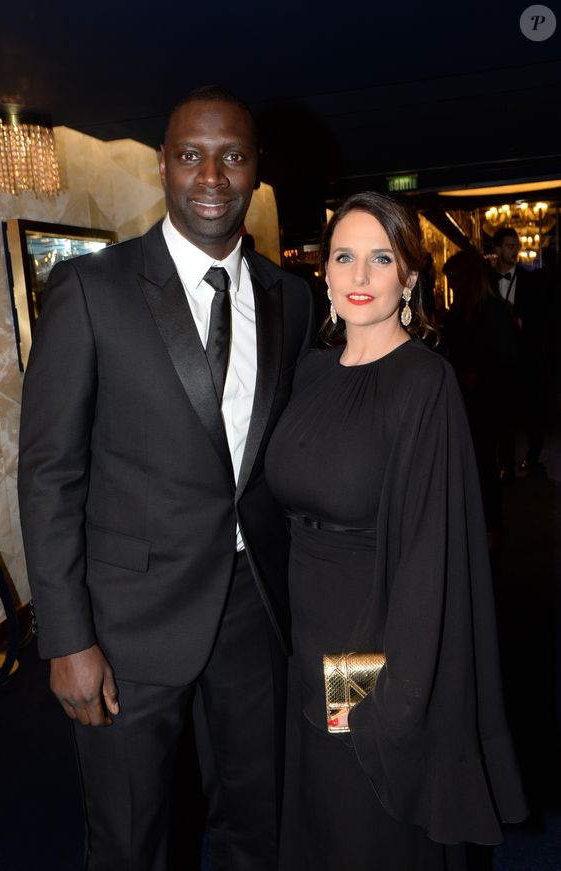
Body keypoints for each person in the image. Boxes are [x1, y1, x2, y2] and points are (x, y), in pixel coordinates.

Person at [17, 85, 314, 871]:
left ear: (255, 171)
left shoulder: (294, 299)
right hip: (126, 623)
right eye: (190, 155)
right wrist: (67, 636)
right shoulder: (90, 291)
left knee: (264, 824)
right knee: (131, 838)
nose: (210, 175)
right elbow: (50, 472)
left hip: (255, 609)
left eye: (232, 156)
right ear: (162, 166)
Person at [264, 192, 527, 870]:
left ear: (410, 277)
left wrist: (387, 697)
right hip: (305, 629)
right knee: (318, 811)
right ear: (322, 273)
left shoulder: (423, 383)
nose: (358, 276)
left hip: (368, 639)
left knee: (362, 819)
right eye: (344, 257)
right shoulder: (310, 371)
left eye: (380, 259)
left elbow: (428, 559)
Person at [442, 249, 517, 544]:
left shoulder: (492, 309)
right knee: (467, 461)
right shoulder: (459, 310)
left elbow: (507, 356)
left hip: (487, 399)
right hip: (463, 397)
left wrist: (480, 375)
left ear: (471, 278)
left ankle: (490, 524)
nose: (453, 288)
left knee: (484, 462)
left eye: (457, 281)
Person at [491, 226, 550, 477]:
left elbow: (541, 318)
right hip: (499, 357)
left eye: (517, 245)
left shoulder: (531, 279)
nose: (516, 250)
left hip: (526, 355)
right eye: (510, 246)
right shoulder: (486, 280)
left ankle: (533, 456)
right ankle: (506, 462)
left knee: (532, 408)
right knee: (503, 411)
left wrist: (521, 322)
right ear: (496, 249)